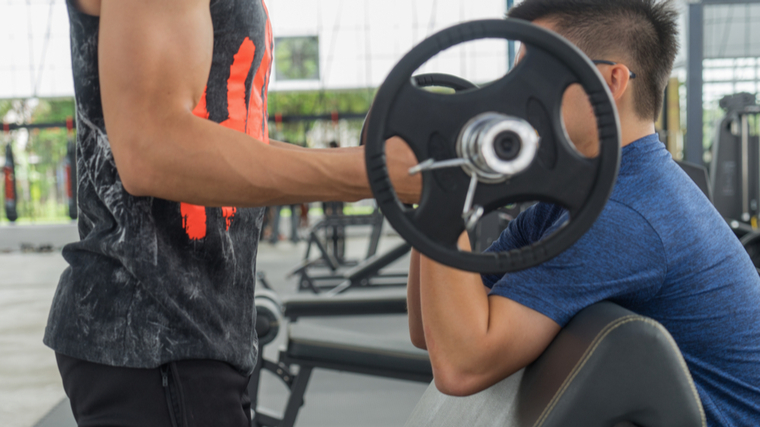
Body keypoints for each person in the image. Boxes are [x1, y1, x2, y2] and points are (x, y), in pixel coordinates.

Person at [44, 0, 419, 426]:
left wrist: (363, 165)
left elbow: (228, 137)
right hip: (156, 336)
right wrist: (371, 173)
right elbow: (154, 148)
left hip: (198, 338)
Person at [407, 1, 760, 426]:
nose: (515, 96)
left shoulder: (624, 214)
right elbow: (430, 331)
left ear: (611, 81)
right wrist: (426, 184)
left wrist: (438, 188)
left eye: (535, 74)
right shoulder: (574, 199)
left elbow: (463, 365)